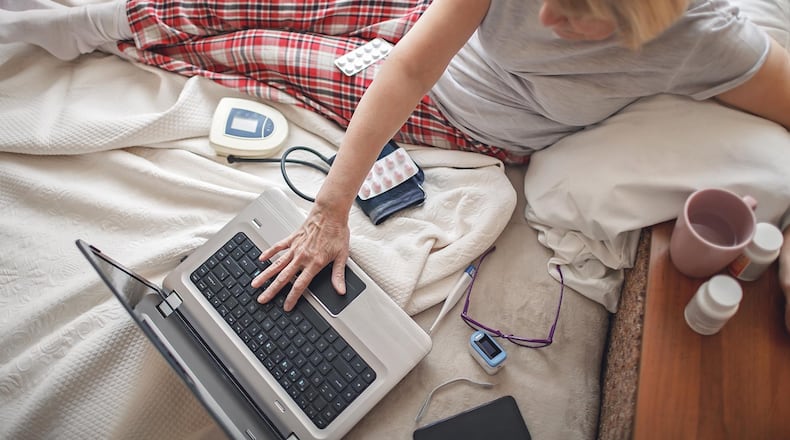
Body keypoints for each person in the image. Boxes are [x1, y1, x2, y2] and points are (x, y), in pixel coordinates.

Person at [2, 0, 789, 327]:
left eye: (579, 16)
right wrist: (330, 209)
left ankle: (106, 31)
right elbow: (410, 63)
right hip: (421, 32)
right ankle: (85, 19)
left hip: (459, 118)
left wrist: (332, 210)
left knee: (249, 53)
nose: (546, 17)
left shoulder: (708, 44)